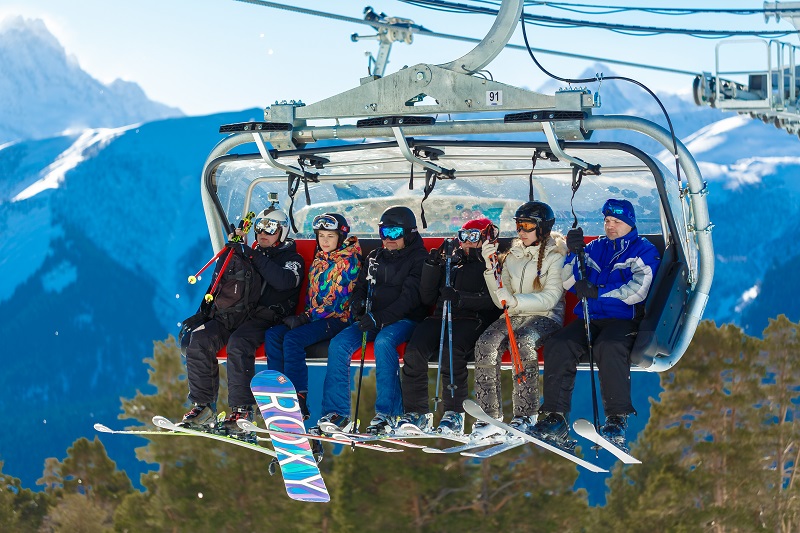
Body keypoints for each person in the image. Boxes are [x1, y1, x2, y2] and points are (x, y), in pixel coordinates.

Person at [530, 198, 661, 451]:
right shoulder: (595, 247)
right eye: (607, 221)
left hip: (623, 319)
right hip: (591, 316)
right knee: (559, 343)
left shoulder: (642, 250)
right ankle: (555, 417)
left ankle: (616, 419)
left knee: (609, 346)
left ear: (630, 224)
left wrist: (597, 291)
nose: (610, 226)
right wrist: (572, 253)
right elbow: (569, 281)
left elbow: (638, 289)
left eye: (617, 222)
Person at [181, 205, 305, 436]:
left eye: (270, 229)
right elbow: (221, 281)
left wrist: (250, 253)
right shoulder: (247, 253)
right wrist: (233, 252)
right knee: (199, 339)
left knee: (239, 344)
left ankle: (242, 410)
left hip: (268, 318)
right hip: (236, 314)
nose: (263, 233)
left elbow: (286, 281)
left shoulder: (292, 259)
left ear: (283, 232)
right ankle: (203, 407)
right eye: (260, 228)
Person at [315, 206, 428, 435]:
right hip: (372, 319)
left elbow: (409, 299)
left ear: (409, 233)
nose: (389, 239)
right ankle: (337, 414)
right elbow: (361, 287)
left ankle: (388, 413)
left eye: (395, 233)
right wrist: (357, 305)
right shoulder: (375, 257)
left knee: (384, 342)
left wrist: (378, 318)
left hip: (404, 321)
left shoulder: (419, 259)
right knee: (339, 344)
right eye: (384, 232)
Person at [470, 201, 567, 440]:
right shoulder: (513, 255)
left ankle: (526, 414)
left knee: (523, 342)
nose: (521, 231)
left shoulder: (555, 256)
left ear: (542, 228)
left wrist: (515, 301)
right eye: (518, 225)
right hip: (514, 314)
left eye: (527, 225)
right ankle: (489, 414)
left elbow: (551, 298)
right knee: (486, 343)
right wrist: (490, 268)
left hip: (545, 316)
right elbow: (499, 300)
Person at [396, 218, 501, 436]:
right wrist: (432, 267)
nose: (468, 242)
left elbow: (493, 300)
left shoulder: (492, 263)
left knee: (451, 353)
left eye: (474, 237)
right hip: (441, 317)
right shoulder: (451, 262)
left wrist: (460, 298)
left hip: (473, 319)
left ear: (486, 239)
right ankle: (417, 412)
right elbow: (427, 297)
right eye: (463, 237)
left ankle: (454, 413)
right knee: (414, 351)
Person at [264, 213, 361, 422]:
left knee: (293, 339)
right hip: (313, 317)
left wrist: (304, 318)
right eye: (321, 236)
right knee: (273, 335)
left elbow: (337, 302)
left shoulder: (348, 262)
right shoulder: (320, 257)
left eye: (330, 236)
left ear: (341, 238)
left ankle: (298, 397)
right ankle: (279, 392)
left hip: (337, 320)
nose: (325, 241)